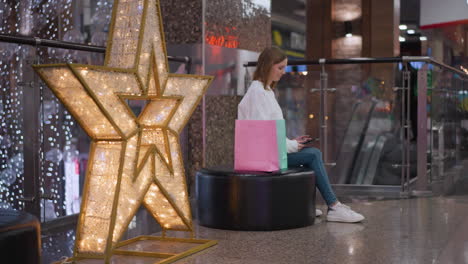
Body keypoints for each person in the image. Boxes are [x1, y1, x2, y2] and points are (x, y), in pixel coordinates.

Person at [238, 46, 365, 223]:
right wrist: (292, 146)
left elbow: (269, 132)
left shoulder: (265, 91)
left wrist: (291, 142)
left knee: (310, 155)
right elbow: (264, 136)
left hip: (267, 154)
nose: (283, 73)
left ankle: (307, 205)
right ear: (267, 65)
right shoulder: (258, 93)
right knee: (313, 155)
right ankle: (334, 206)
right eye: (280, 68)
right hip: (262, 159)